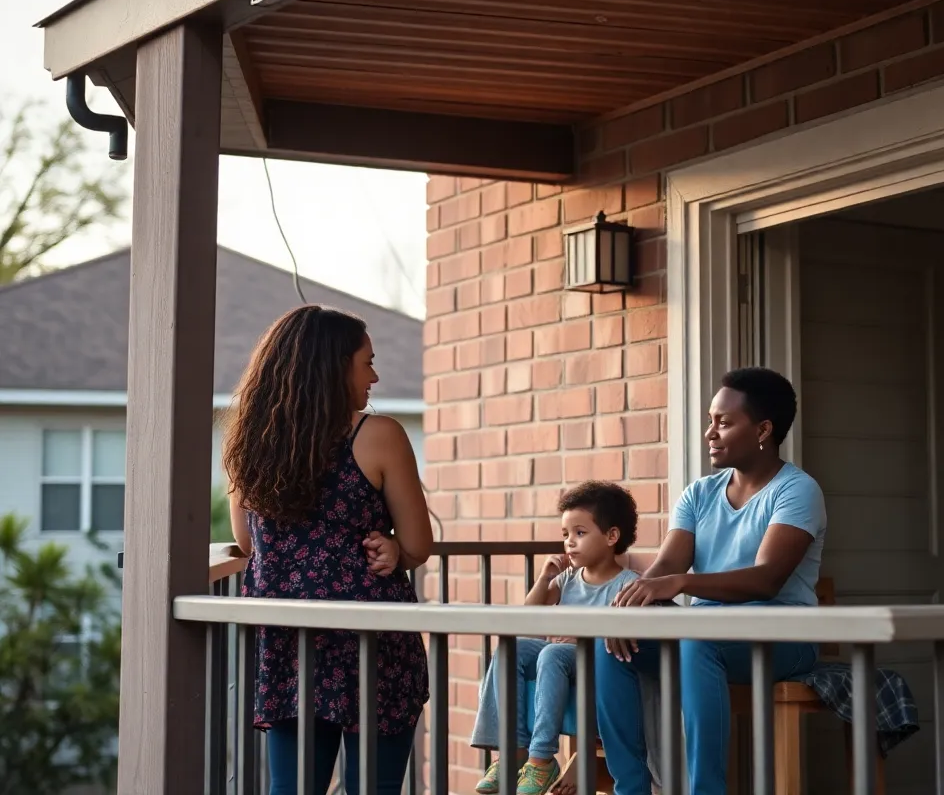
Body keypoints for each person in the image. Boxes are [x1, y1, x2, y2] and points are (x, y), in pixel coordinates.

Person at [224, 305, 432, 795]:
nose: (375, 375)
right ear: (333, 366)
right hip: (373, 638)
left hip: (292, 646)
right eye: (367, 362)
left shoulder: (248, 443)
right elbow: (420, 543)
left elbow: (249, 541)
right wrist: (396, 550)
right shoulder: (378, 435)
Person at [595, 367, 826, 795]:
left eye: (724, 422)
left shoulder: (797, 490)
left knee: (697, 643)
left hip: (784, 637)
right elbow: (664, 568)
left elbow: (766, 580)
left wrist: (682, 584)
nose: (710, 433)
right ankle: (631, 788)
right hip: (704, 636)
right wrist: (627, 610)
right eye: (709, 420)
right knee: (612, 645)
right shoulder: (699, 493)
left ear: (763, 429)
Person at [471, 481, 640, 795]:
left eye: (579, 533)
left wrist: (581, 637)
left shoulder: (628, 585)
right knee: (512, 647)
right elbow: (527, 620)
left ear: (611, 536)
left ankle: (542, 759)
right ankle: (513, 751)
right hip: (560, 658)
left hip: (595, 662)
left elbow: (627, 640)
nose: (570, 543)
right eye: (565, 535)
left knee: (550, 654)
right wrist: (544, 578)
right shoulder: (567, 579)